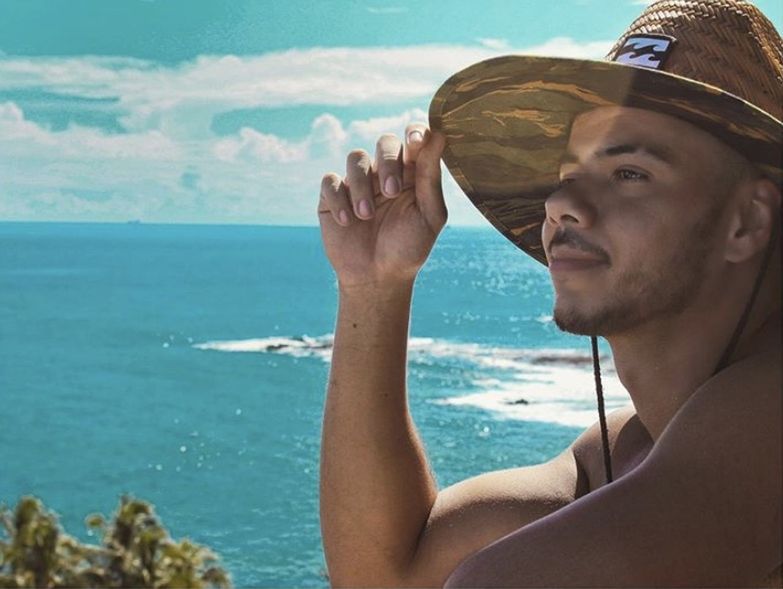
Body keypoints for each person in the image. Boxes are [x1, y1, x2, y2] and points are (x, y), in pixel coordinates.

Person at [317, 0, 782, 586]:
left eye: (629, 173)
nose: (562, 204)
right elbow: (384, 575)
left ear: (746, 221)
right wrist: (373, 286)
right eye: (566, 177)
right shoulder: (622, 451)